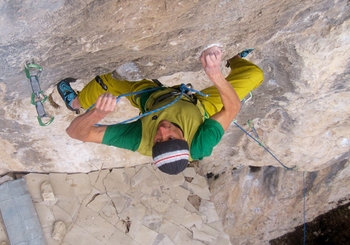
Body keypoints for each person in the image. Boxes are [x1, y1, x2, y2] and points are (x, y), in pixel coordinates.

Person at [57, 45, 264, 175]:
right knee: (254, 75)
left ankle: (75, 102)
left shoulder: (140, 140)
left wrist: (97, 114)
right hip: (200, 106)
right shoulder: (201, 144)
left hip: (151, 98)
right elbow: (233, 107)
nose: (163, 131)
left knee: (109, 80)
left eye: (159, 140)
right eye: (171, 138)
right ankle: (235, 58)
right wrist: (215, 75)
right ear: (186, 142)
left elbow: (75, 133)